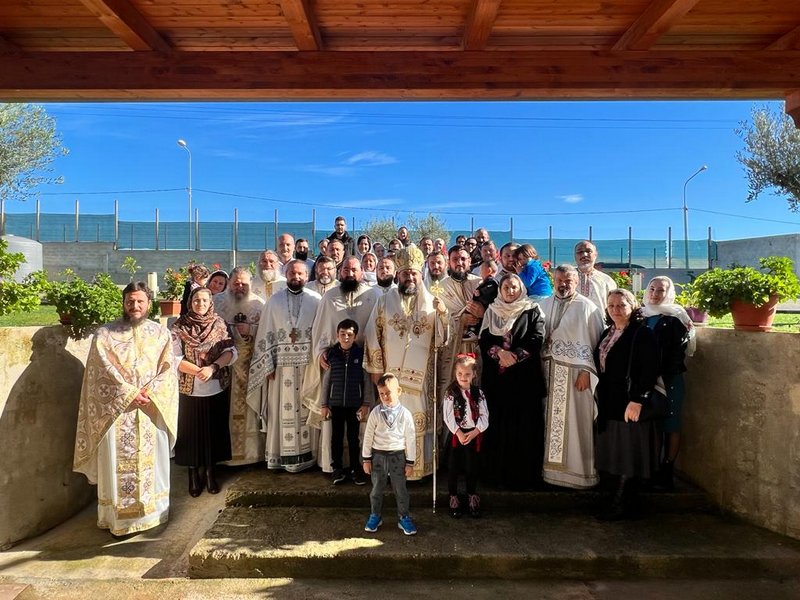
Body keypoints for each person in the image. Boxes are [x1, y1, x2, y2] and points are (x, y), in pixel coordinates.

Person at [73, 282, 179, 537]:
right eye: (130, 301)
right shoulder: (105, 334)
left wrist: (150, 392)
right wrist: (128, 392)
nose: (135, 306)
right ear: (123, 303)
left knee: (151, 461)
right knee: (116, 463)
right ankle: (119, 520)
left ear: (149, 304)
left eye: (140, 301)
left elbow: (167, 369)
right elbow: (100, 371)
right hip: (118, 412)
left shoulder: (160, 333)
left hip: (150, 407)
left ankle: (153, 515)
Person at [364, 246, 448, 480]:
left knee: (417, 420)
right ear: (398, 276)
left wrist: (443, 315)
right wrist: (376, 370)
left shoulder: (432, 301)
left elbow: (443, 340)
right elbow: (372, 335)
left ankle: (421, 469)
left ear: (420, 275)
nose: (410, 277)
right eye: (405, 274)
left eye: (414, 273)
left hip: (422, 379)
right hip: (391, 377)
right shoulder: (384, 301)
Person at [303, 256, 378, 473]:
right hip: (336, 363)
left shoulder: (373, 296)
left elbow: (378, 330)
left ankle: (361, 465)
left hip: (363, 364)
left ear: (362, 272)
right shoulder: (330, 296)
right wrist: (320, 353)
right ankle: (334, 465)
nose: (350, 273)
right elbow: (320, 330)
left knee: (360, 420)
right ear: (340, 271)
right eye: (346, 269)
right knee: (335, 426)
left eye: (354, 269)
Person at [247, 260, 321, 472]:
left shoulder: (316, 300)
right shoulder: (274, 301)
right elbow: (266, 332)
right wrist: (267, 364)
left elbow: (321, 333)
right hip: (280, 369)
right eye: (292, 273)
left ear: (307, 276)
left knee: (307, 408)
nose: (296, 277)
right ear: (286, 275)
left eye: (300, 274)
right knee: (281, 411)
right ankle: (281, 457)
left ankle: (310, 457)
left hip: (308, 367)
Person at [594, 288, 661, 520]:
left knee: (628, 454)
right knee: (613, 452)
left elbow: (650, 369)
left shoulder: (642, 333)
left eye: (621, 305)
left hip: (629, 402)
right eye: (611, 305)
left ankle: (622, 505)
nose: (615, 310)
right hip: (609, 403)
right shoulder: (608, 332)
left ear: (633, 306)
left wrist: (638, 400)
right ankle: (612, 500)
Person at [478, 273, 546, 490]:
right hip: (497, 382)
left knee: (524, 427)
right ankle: (495, 476)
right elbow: (484, 339)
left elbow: (537, 338)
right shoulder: (492, 310)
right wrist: (499, 353)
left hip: (524, 381)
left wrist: (514, 356)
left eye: (514, 287)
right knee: (498, 426)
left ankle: (523, 478)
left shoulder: (532, 310)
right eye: (506, 287)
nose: (510, 291)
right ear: (500, 290)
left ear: (521, 289)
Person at [540, 265, 605, 489]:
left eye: (568, 280)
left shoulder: (588, 307)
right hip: (548, 372)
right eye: (559, 280)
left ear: (576, 282)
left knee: (575, 425)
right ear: (554, 281)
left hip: (576, 376)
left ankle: (577, 476)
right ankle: (549, 475)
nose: (563, 284)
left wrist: (587, 372)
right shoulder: (543, 304)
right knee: (548, 422)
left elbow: (597, 342)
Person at [171, 287, 237, 496]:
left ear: (211, 303)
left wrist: (212, 368)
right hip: (189, 389)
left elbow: (230, 352)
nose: (200, 304)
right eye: (196, 300)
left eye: (204, 301)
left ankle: (210, 472)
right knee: (190, 433)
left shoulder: (220, 324)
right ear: (190, 303)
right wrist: (198, 371)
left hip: (215, 387)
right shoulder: (179, 326)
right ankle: (193, 474)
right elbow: (173, 358)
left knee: (212, 432)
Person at [642, 276, 696, 490]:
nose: (655, 294)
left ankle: (667, 470)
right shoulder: (642, 315)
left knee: (671, 424)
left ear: (669, 293)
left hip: (669, 378)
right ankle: (651, 468)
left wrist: (659, 374)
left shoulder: (676, 318)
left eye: (661, 290)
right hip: (646, 381)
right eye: (652, 289)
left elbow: (677, 352)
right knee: (651, 424)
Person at [213, 267, 266, 465]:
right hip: (222, 368)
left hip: (248, 367)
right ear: (229, 283)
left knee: (249, 410)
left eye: (244, 283)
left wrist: (250, 330)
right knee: (221, 411)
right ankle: (222, 456)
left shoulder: (259, 305)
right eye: (236, 283)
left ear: (250, 284)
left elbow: (266, 334)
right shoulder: (216, 302)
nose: (240, 287)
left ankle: (251, 456)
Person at [362, 373, 418, 536]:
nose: (385, 396)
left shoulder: (405, 414)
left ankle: (403, 517)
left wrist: (410, 462)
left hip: (397, 456)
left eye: (388, 392)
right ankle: (375, 515)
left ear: (398, 391)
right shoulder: (375, 413)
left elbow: (410, 438)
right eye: (381, 394)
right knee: (377, 488)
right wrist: (366, 459)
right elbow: (368, 436)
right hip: (378, 456)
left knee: (400, 489)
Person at [320, 319, 371, 485]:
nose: (346, 337)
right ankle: (337, 469)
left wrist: (366, 403)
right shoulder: (332, 355)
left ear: (355, 336)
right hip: (336, 405)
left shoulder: (360, 354)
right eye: (342, 334)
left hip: (354, 404)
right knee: (336, 438)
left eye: (349, 334)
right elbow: (327, 381)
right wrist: (324, 405)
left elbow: (366, 381)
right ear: (337, 335)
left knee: (353, 438)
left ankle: (356, 469)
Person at [442, 354, 489, 518]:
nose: (463, 377)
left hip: (473, 435)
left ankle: (471, 496)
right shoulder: (451, 393)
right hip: (457, 436)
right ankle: (453, 497)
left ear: (474, 374)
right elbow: (448, 416)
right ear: (455, 373)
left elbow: (484, 416)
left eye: (467, 374)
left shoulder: (478, 393)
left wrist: (475, 432)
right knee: (453, 467)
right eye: (460, 374)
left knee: (472, 467)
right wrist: (459, 433)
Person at [437, 245, 483, 400]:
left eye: (463, 259)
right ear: (448, 262)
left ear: (469, 261)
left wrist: (482, 313)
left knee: (477, 387)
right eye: (455, 259)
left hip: (477, 346)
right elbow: (437, 319)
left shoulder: (480, 283)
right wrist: (460, 320)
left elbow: (494, 313)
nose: (459, 262)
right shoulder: (441, 288)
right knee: (452, 390)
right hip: (453, 349)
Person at [574, 240, 616, 313]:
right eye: (580, 252)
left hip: (599, 320)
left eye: (588, 251)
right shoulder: (566, 280)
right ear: (575, 256)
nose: (584, 255)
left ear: (595, 255)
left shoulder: (607, 281)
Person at [463, 259, 499, 342]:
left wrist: (480, 293)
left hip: (484, 309)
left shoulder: (492, 282)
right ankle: (472, 331)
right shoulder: (486, 282)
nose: (480, 273)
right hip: (479, 308)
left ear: (489, 270)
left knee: (478, 322)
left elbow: (489, 291)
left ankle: (474, 332)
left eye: (481, 270)